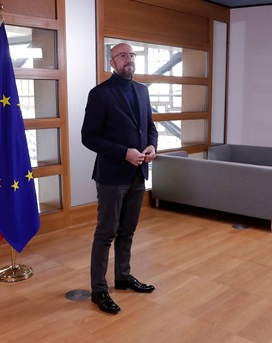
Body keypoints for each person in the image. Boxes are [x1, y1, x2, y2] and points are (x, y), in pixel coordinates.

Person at [81, 43, 158, 314]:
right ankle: (98, 290)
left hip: (138, 174)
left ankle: (123, 277)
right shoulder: (100, 94)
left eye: (132, 55)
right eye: (122, 56)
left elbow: (150, 128)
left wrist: (151, 146)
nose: (129, 60)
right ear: (112, 63)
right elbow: (88, 137)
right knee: (106, 234)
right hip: (112, 176)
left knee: (128, 231)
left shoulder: (142, 90)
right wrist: (123, 153)